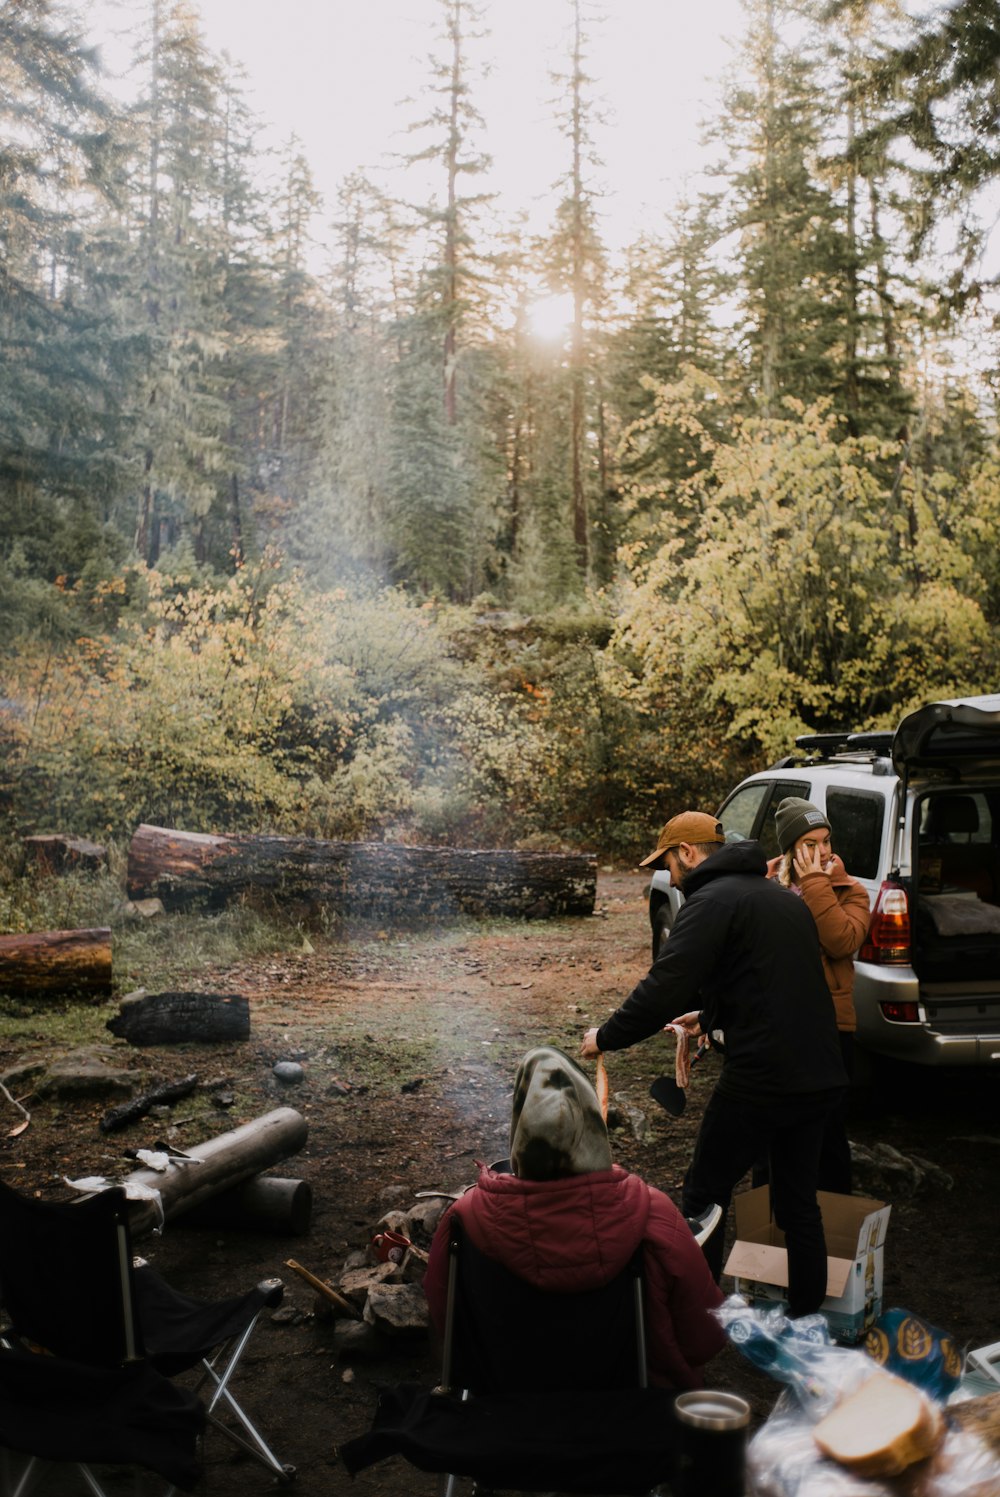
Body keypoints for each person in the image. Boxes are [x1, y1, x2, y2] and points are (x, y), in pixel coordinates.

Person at [580, 810, 848, 1319]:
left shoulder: (711, 901)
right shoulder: (776, 897)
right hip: (820, 1075)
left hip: (764, 1076)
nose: (670, 876)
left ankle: (697, 1312)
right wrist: (711, 1015)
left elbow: (664, 985)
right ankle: (806, 1319)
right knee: (797, 1202)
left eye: (668, 863)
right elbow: (769, 982)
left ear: (686, 853)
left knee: (705, 1190)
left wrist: (606, 1038)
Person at [423, 1045, 726, 1390]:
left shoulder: (464, 1217)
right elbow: (706, 1338)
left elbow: (445, 1324)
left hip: (504, 1410)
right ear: (593, 1121)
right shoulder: (652, 1213)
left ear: (520, 1123)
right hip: (628, 1413)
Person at [767, 796, 871, 1194]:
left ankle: (836, 1237)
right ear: (791, 848)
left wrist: (814, 883)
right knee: (775, 1132)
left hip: (830, 1028)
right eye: (810, 843)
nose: (823, 851)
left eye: (826, 840)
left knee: (828, 1134)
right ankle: (772, 1235)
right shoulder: (766, 888)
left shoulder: (851, 892)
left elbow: (841, 940)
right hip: (778, 1027)